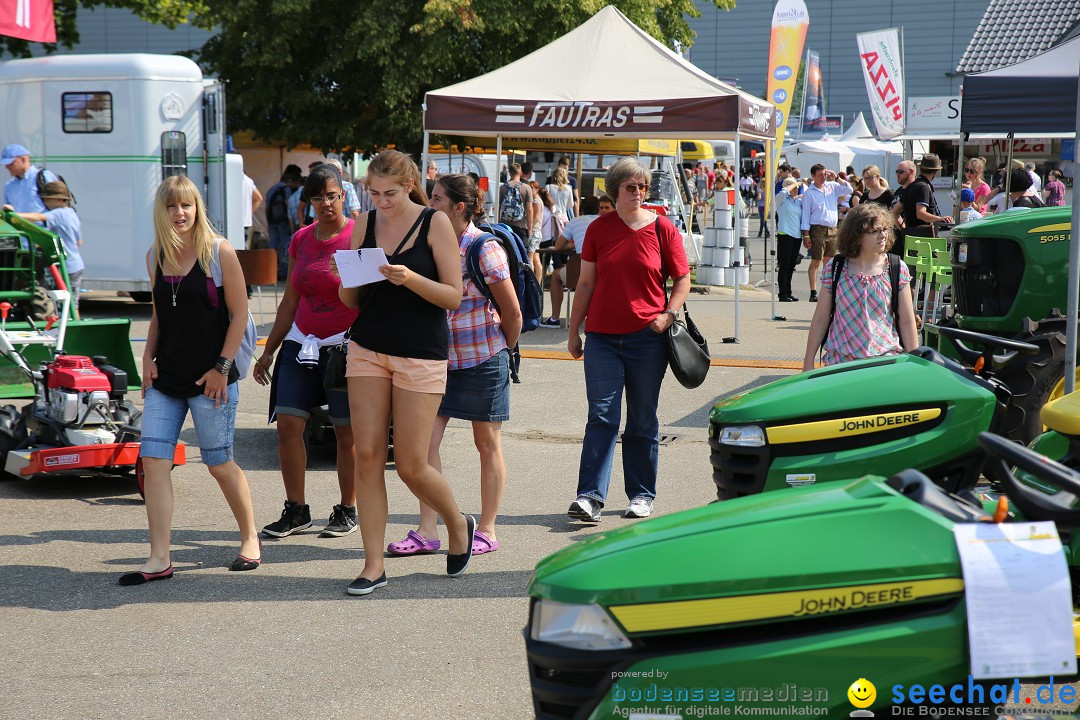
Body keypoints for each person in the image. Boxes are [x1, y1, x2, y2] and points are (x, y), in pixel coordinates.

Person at [338, 150, 474, 595]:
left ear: (409, 183)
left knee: (412, 465)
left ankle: (457, 524)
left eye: (389, 193)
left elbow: (453, 296)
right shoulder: (362, 223)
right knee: (368, 455)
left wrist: (408, 277)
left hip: (420, 352)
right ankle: (372, 565)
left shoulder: (434, 222)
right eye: (373, 193)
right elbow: (352, 302)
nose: (381, 201)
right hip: (367, 348)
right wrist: (350, 281)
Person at [124, 174, 259, 585]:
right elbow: (160, 315)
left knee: (219, 463)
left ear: (197, 208)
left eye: (186, 205)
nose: (179, 213)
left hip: (211, 377)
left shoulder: (219, 252)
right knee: (154, 461)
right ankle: (159, 557)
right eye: (171, 206)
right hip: (167, 376)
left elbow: (238, 316)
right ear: (161, 212)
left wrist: (220, 369)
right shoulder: (156, 256)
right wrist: (146, 357)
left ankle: (249, 537)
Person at [388, 173, 522, 558]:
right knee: (423, 444)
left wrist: (503, 350)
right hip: (436, 360)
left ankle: (489, 528)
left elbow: (512, 311)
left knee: (487, 444)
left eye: (436, 199)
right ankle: (427, 530)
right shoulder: (430, 242)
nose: (429, 205)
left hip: (483, 358)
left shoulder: (483, 248)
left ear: (459, 207)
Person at [566, 158, 690, 523]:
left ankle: (641, 495)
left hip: (647, 338)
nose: (638, 193)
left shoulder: (663, 229)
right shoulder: (598, 229)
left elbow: (682, 279)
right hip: (602, 337)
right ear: (614, 190)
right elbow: (585, 283)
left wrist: (669, 313)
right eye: (631, 187)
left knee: (641, 418)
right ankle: (589, 496)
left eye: (642, 187)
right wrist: (574, 331)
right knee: (601, 415)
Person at [253, 164, 359, 540]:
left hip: (343, 347)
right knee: (288, 426)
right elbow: (289, 300)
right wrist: (269, 350)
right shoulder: (300, 239)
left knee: (346, 434)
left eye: (332, 195)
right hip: (302, 343)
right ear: (308, 202)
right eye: (318, 198)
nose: (326, 204)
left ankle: (347, 509)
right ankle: (296, 510)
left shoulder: (357, 234)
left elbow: (369, 296)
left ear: (343, 194)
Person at [802, 202, 918, 370]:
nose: (882, 235)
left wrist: (914, 362)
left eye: (885, 229)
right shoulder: (836, 268)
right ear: (855, 236)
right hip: (839, 363)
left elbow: (907, 321)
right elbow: (820, 319)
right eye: (874, 231)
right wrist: (808, 361)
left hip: (884, 363)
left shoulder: (896, 268)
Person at [4, 180, 85, 312]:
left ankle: (57, 329)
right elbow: (79, 242)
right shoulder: (72, 214)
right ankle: (74, 328)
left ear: (58, 200)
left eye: (47, 200)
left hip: (64, 266)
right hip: (77, 265)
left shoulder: (58, 213)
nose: (45, 203)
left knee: (55, 301)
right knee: (72, 304)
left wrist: (12, 216)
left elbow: (38, 217)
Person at [800, 164, 851, 302]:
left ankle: (827, 290)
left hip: (833, 228)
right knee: (816, 260)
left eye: (824, 174)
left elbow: (849, 189)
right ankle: (813, 291)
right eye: (820, 175)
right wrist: (806, 235)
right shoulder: (809, 193)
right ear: (813, 176)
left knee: (829, 261)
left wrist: (837, 178)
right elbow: (805, 216)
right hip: (817, 229)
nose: (823, 177)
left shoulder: (831, 186)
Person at [901, 154, 953, 240]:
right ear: (935, 172)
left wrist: (903, 228)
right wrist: (940, 219)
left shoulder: (911, 186)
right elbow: (921, 214)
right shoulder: (923, 187)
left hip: (911, 237)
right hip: (923, 239)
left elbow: (895, 211)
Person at [2, 143, 57, 219]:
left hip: (43, 230)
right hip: (19, 230)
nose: (7, 167)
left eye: (11, 163)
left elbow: (58, 209)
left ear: (23, 159)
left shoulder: (43, 177)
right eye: (6, 164)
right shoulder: (9, 186)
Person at [265, 168, 302, 276]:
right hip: (282, 221)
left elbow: (267, 207)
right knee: (284, 245)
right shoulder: (286, 189)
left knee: (273, 244)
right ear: (290, 181)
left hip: (272, 221)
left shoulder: (272, 189)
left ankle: (269, 271)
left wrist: (268, 221)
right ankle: (283, 271)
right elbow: (287, 204)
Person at [775, 177, 802, 302]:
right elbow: (783, 192)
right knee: (784, 265)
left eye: (797, 188)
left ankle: (789, 291)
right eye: (794, 187)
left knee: (791, 265)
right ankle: (782, 293)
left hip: (797, 235)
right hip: (785, 234)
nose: (796, 189)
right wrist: (794, 183)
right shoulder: (782, 200)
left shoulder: (798, 202)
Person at [240, 173, 264, 247]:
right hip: (245, 222)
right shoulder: (248, 181)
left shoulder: (228, 177)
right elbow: (259, 198)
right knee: (244, 249)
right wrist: (248, 213)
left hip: (232, 222)